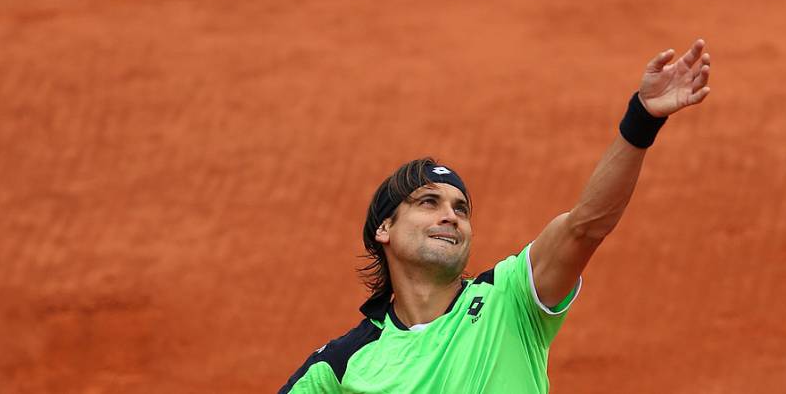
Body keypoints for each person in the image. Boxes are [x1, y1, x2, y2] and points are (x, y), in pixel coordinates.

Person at [278, 40, 712, 393]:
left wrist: (641, 121)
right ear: (385, 228)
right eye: (428, 202)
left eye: (460, 208)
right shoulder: (340, 365)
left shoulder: (511, 299)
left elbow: (587, 225)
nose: (451, 216)